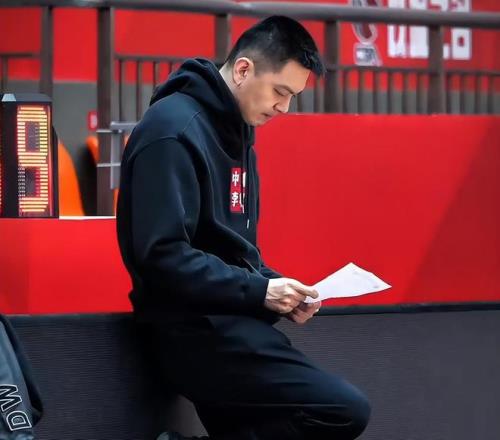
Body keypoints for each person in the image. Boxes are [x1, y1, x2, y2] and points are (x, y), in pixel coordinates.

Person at [116, 15, 370, 440]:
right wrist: (260, 291)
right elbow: (161, 256)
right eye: (280, 92)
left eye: (293, 97)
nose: (284, 107)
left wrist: (278, 289)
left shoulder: (238, 130)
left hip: (229, 322)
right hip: (189, 330)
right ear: (243, 69)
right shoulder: (172, 131)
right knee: (343, 410)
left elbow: (232, 251)